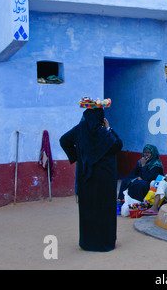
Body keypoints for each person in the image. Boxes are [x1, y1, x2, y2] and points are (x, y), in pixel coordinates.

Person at [60, 108, 123, 252]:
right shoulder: (104, 134)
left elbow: (64, 141)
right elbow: (118, 145)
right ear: (101, 119)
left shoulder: (79, 130)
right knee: (104, 210)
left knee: (88, 209)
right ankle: (105, 242)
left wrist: (80, 157)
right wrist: (109, 129)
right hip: (105, 180)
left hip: (86, 178)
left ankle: (87, 242)